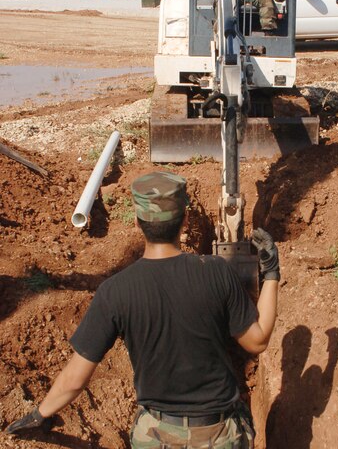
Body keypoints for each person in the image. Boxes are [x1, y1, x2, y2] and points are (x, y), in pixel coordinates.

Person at [5, 171, 280, 448]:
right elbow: (257, 341)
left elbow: (75, 380)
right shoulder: (217, 272)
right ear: (185, 221)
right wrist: (270, 273)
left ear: (138, 223)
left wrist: (39, 414)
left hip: (156, 436)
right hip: (218, 433)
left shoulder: (115, 291)